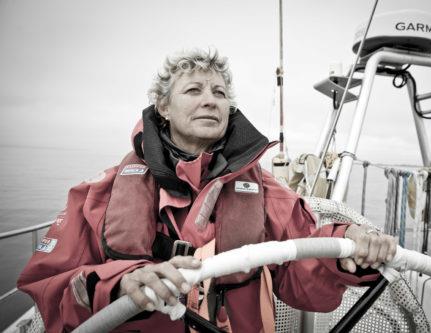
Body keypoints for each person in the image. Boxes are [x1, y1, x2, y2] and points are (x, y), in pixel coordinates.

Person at [17, 49, 397, 332]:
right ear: (163, 107)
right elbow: (48, 286)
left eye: (219, 92)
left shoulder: (265, 192)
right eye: (194, 89)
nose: (210, 99)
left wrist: (349, 252)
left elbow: (306, 278)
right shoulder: (102, 193)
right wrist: (117, 286)